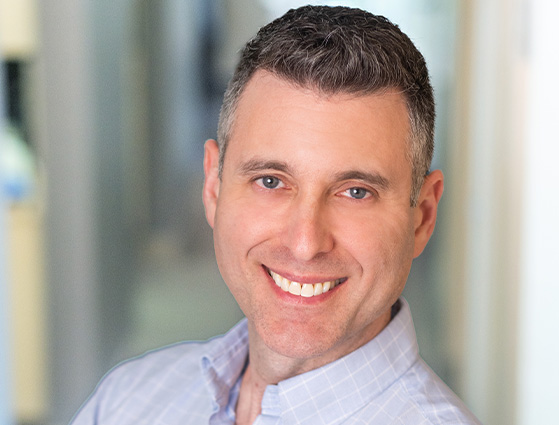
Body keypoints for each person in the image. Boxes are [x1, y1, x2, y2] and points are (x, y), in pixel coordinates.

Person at [71, 5, 481, 424]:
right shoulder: (128, 400)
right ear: (214, 186)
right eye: (270, 181)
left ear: (423, 216)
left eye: (355, 192)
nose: (304, 243)